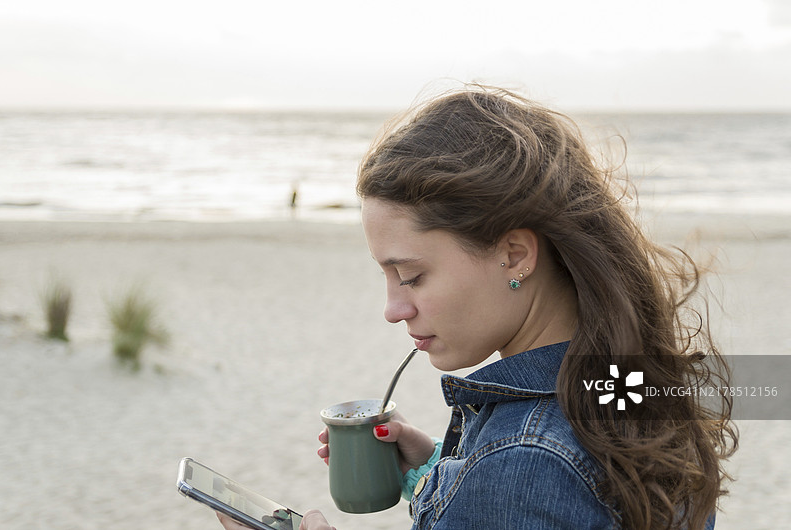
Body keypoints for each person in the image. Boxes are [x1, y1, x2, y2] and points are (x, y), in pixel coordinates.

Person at [219, 86, 737, 529]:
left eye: (411, 276)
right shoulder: (630, 387)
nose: (393, 309)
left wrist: (485, 478)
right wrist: (437, 474)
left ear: (515, 255)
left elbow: (528, 482)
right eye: (387, 278)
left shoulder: (521, 465)